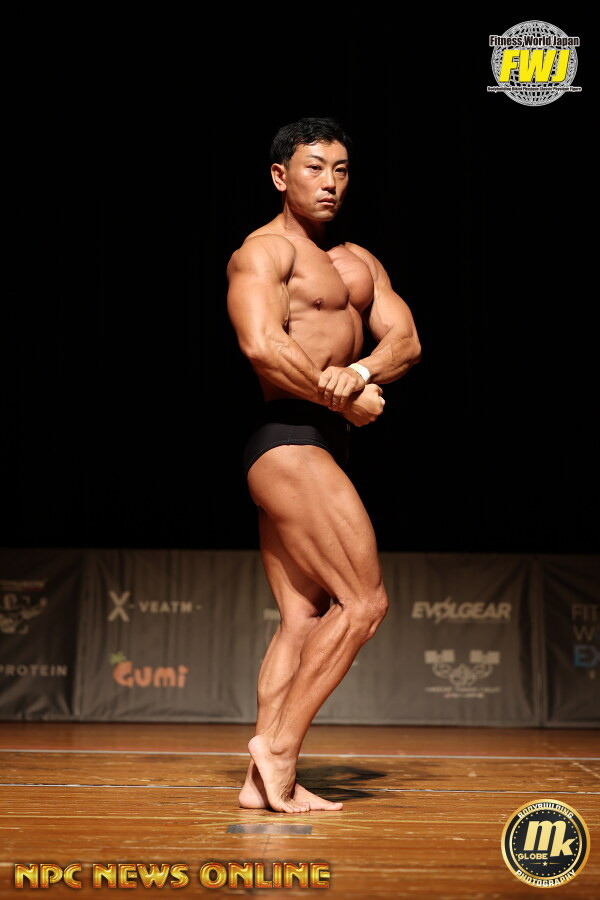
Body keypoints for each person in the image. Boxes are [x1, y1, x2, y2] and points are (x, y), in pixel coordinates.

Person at [226, 117, 421, 814]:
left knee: (302, 617)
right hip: (287, 437)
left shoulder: (359, 262)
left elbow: (405, 341)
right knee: (364, 604)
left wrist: (359, 372)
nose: (330, 182)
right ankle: (277, 749)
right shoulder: (263, 252)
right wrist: (337, 395)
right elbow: (261, 346)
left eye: (340, 169)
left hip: (319, 440)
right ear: (281, 176)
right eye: (314, 168)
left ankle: (260, 785)